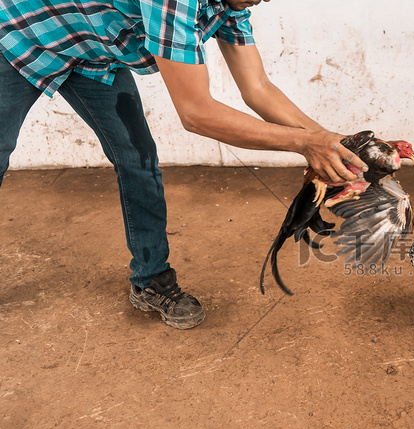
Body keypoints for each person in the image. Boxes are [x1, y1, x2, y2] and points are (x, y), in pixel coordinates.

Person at [0, 0, 367, 329]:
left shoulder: (232, 4)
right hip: (19, 35)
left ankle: (150, 280)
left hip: (91, 57)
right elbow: (195, 113)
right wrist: (306, 143)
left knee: (138, 159)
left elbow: (257, 87)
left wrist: (334, 145)